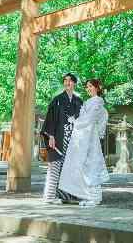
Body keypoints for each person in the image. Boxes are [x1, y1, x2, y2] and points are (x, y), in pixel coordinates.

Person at [58, 79, 109, 207]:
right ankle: (87, 195)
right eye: (87, 87)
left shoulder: (97, 102)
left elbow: (90, 119)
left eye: (91, 86)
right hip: (83, 136)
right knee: (83, 164)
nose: (88, 89)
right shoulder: (88, 102)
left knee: (91, 164)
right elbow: (84, 118)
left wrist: (75, 122)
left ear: (97, 88)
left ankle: (95, 197)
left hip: (90, 137)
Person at [41, 73, 83, 204]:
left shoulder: (79, 101)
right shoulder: (57, 100)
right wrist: (51, 136)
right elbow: (51, 119)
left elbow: (83, 120)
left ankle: (66, 196)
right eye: (65, 81)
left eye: (70, 81)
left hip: (73, 139)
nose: (67, 83)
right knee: (55, 166)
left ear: (74, 83)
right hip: (59, 136)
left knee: (70, 167)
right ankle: (49, 196)